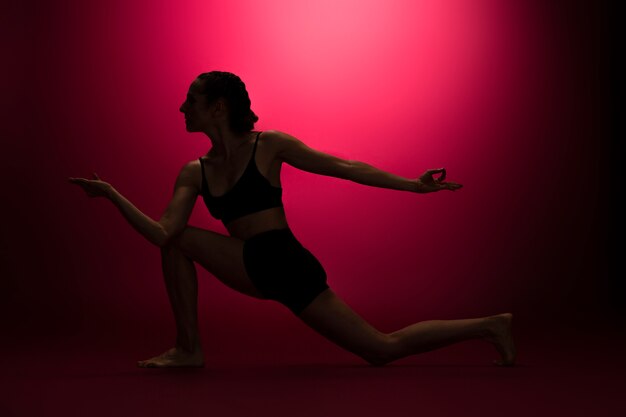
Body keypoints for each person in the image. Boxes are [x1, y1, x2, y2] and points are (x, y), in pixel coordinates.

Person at [68, 71, 515, 368]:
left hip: (286, 263)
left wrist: (414, 186)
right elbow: (163, 234)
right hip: (248, 261)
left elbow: (346, 168)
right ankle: (189, 349)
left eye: (191, 101)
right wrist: (111, 195)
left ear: (219, 107)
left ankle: (489, 325)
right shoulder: (194, 171)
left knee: (381, 348)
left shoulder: (269, 145)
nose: (183, 108)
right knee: (177, 239)